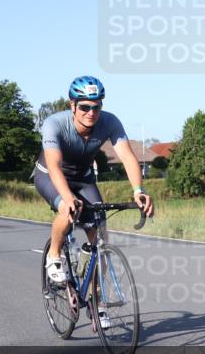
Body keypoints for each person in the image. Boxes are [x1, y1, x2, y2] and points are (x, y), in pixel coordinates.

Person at [33, 76, 154, 317]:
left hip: (84, 178)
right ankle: (55, 256)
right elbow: (55, 166)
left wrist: (138, 191)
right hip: (50, 175)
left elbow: (128, 157)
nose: (91, 112)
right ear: (72, 105)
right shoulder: (54, 124)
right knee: (67, 212)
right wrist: (67, 198)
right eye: (85, 106)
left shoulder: (109, 122)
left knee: (100, 237)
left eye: (97, 106)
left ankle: (96, 299)